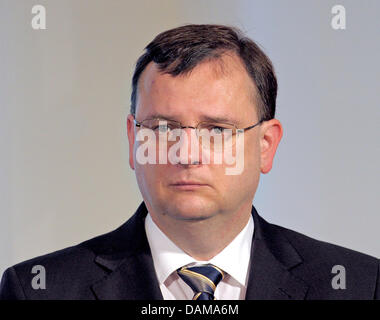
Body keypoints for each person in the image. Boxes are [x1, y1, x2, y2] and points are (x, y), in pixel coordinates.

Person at [0, 24, 378, 300]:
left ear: (266, 145)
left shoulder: (357, 285)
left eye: (216, 129)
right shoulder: (40, 290)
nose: (186, 153)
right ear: (134, 140)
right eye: (163, 128)